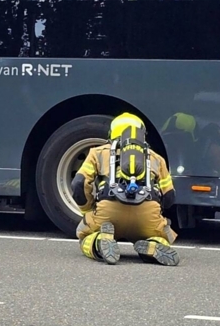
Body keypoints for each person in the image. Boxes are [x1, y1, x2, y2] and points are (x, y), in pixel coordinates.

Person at [70, 113, 179, 266]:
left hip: (108, 212)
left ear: (113, 132)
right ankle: (152, 245)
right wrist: (153, 212)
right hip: (147, 216)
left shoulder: (98, 152)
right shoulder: (156, 158)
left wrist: (88, 210)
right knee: (163, 237)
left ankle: (100, 242)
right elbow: (169, 197)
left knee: (84, 234)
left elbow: (78, 185)